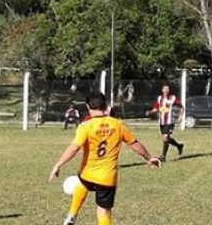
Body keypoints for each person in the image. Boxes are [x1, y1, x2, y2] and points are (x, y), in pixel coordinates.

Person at [49, 92, 161, 225]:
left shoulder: (85, 126)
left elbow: (74, 148)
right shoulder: (118, 125)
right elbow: (135, 144)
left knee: (82, 183)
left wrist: (58, 165)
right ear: (105, 106)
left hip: (87, 173)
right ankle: (72, 216)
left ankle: (72, 215)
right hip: (107, 178)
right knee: (103, 212)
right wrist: (149, 157)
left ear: (87, 106)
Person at [147, 84, 185, 161]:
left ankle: (163, 157)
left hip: (170, 121)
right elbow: (156, 108)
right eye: (165, 89)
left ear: (169, 90)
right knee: (166, 139)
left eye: (167, 89)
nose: (166, 90)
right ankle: (179, 146)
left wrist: (180, 117)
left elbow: (181, 107)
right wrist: (150, 112)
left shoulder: (173, 98)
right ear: (162, 90)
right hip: (162, 121)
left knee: (165, 138)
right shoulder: (159, 98)